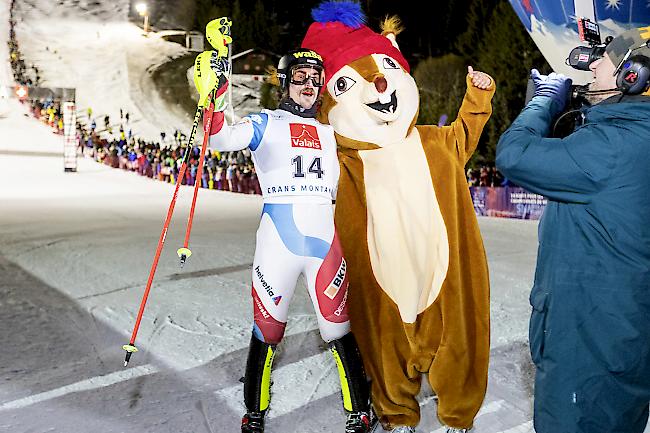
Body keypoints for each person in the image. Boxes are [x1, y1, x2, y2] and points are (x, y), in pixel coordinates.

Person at [194, 48, 371, 433]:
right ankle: (253, 413)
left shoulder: (331, 129)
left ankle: (359, 412)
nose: (309, 85)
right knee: (267, 331)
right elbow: (220, 138)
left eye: (315, 78)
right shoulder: (266, 122)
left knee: (337, 329)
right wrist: (214, 93)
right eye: (300, 77)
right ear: (285, 81)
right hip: (278, 243)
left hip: (325, 244)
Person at [496, 27, 650, 433]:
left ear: (634, 76)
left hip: (589, 346)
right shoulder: (632, 138)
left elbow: (514, 154)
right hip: (624, 337)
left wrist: (543, 104)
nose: (593, 65)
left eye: (606, 60)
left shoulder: (615, 145)